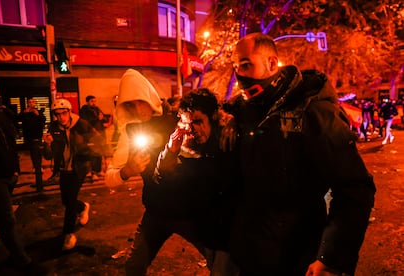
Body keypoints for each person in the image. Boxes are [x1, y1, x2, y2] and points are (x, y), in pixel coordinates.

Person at [223, 32, 376, 276]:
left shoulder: (314, 111)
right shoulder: (243, 111)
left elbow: (354, 188)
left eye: (245, 64)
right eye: (235, 67)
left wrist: (331, 258)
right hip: (247, 252)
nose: (239, 74)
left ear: (272, 63)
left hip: (295, 254)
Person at [151, 88, 240, 276]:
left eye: (198, 121)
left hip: (231, 234)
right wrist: (170, 151)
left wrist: (236, 121)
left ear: (213, 117)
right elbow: (162, 182)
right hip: (207, 233)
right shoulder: (187, 149)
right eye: (188, 123)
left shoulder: (229, 143)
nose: (193, 129)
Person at [105, 69, 180, 275]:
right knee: (134, 267)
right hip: (156, 212)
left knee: (221, 262)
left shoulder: (178, 118)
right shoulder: (131, 131)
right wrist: (127, 171)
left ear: (149, 96)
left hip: (189, 208)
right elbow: (109, 178)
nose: (137, 109)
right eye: (129, 104)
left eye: (140, 101)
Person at [0, 92, 47, 274]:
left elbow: (11, 139)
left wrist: (15, 168)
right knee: (7, 220)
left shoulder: (1, 114)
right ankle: (23, 262)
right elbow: (21, 122)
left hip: (9, 174)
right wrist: (25, 112)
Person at [43, 98, 108, 251]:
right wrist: (47, 144)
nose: (61, 118)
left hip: (79, 168)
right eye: (57, 114)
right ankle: (83, 206)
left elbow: (98, 141)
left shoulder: (81, 124)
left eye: (64, 113)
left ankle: (68, 233)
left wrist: (102, 160)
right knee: (66, 200)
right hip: (64, 169)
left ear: (69, 112)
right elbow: (48, 156)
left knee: (70, 200)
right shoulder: (53, 128)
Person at [80, 95, 110, 180]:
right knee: (92, 153)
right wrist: (98, 118)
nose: (94, 103)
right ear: (88, 102)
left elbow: (103, 118)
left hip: (100, 134)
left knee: (99, 153)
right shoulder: (84, 110)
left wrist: (103, 118)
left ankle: (98, 170)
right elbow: (86, 121)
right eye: (92, 101)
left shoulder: (97, 109)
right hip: (91, 135)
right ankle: (92, 172)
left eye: (95, 101)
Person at [19, 98, 46, 192]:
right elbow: (18, 119)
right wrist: (23, 113)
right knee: (34, 157)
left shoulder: (38, 112)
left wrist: (38, 115)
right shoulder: (25, 113)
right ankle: (37, 169)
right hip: (29, 139)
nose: (31, 104)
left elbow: (43, 120)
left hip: (37, 139)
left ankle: (39, 184)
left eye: (33, 102)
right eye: (29, 102)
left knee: (37, 158)